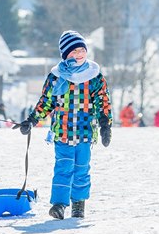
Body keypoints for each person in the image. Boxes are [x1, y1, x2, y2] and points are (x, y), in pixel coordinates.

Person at [14, 30, 112, 220]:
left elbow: (103, 102)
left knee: (81, 168)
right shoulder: (57, 77)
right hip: (63, 131)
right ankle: (59, 204)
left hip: (85, 132)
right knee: (63, 167)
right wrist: (32, 120)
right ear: (66, 54)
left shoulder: (94, 76)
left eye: (82, 49)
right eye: (74, 51)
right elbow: (46, 102)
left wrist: (105, 125)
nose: (79, 54)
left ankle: (78, 204)